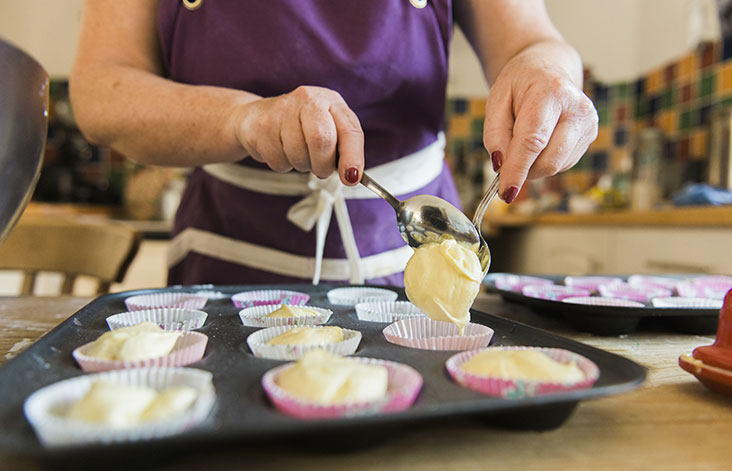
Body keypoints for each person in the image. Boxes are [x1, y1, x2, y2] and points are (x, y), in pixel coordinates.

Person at [70, 0, 598, 287]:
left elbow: (531, 38)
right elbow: (101, 90)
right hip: (225, 264)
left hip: (414, 260)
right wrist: (243, 119)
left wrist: (545, 73)